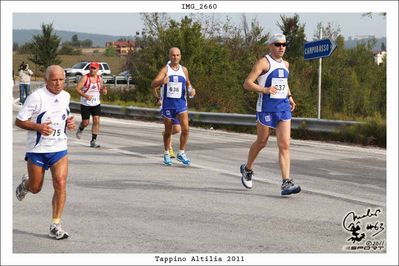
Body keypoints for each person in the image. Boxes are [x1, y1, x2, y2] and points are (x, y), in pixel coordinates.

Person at [15, 65, 75, 240]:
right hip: (38, 150)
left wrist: (69, 124)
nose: (58, 83)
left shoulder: (66, 96)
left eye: (61, 79)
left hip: (59, 148)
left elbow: (63, 117)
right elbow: (19, 121)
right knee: (36, 188)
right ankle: (26, 184)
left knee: (61, 183)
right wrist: (37, 127)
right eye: (54, 80)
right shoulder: (36, 97)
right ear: (46, 80)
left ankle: (55, 225)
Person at [240, 33, 301, 196]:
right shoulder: (263, 62)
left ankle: (286, 182)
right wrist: (264, 90)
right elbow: (247, 84)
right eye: (277, 44)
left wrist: (289, 96)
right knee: (262, 142)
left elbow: (284, 82)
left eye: (284, 45)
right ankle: (247, 169)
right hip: (266, 108)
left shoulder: (286, 64)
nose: (281, 47)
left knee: (284, 145)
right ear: (270, 46)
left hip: (282, 108)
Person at [151, 47, 196, 166]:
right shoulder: (165, 70)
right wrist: (161, 82)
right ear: (169, 56)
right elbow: (153, 84)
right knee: (168, 131)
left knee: (185, 129)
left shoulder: (184, 70)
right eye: (173, 55)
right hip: (168, 105)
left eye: (177, 55)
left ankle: (181, 152)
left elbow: (188, 84)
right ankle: (166, 153)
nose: (175, 57)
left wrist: (192, 90)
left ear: (180, 56)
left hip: (181, 104)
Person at [75, 61, 108, 148]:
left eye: (94, 68)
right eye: (91, 68)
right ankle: (81, 128)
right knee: (86, 122)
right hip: (85, 103)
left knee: (96, 120)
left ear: (97, 69)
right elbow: (77, 89)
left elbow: (101, 90)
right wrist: (86, 96)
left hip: (96, 103)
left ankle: (93, 140)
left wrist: (104, 91)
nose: (92, 70)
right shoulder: (85, 78)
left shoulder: (99, 79)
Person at [153, 84, 182, 158]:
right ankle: (170, 150)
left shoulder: (179, 77)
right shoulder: (165, 77)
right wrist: (158, 99)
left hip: (176, 107)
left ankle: (165, 133)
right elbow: (154, 87)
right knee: (169, 127)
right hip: (165, 107)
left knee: (177, 129)